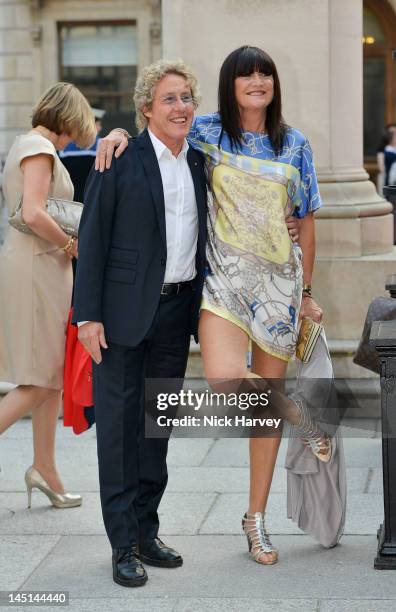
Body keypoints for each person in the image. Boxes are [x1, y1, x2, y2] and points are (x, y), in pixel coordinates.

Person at [97, 47, 327, 567]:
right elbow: (153, 131)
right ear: (230, 84)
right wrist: (113, 135)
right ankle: (298, 413)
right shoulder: (204, 131)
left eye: (265, 72)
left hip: (278, 289)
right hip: (221, 287)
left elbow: (306, 220)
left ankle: (256, 521)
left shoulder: (296, 146)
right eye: (246, 74)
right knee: (227, 379)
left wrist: (307, 292)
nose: (257, 80)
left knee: (257, 415)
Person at [72, 60, 208, 588]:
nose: (181, 107)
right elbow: (94, 237)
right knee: (121, 436)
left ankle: (147, 531)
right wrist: (87, 315)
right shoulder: (120, 158)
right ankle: (122, 544)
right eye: (170, 98)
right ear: (147, 107)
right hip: (121, 318)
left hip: (176, 315)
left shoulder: (200, 161)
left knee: (157, 431)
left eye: (187, 98)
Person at [0, 82, 96, 507]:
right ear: (69, 116)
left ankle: (45, 468)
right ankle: (45, 468)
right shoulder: (38, 148)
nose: (81, 132)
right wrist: (68, 244)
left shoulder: (32, 146)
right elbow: (34, 211)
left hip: (41, 267)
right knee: (39, 381)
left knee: (50, 375)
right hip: (39, 266)